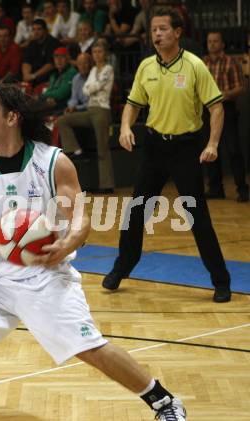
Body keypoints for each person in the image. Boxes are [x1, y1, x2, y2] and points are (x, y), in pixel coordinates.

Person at [0, 83, 186, 421]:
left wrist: (68, 242)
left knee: (89, 347)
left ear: (12, 118)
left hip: (45, 275)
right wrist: (3, 238)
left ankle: (164, 402)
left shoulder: (52, 162)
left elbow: (80, 219)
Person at [101, 7, 232, 303]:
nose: (157, 34)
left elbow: (217, 107)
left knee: (197, 216)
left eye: (162, 29)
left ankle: (221, 280)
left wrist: (211, 144)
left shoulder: (195, 66)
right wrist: (124, 127)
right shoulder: (146, 66)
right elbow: (133, 104)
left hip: (186, 148)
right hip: (154, 147)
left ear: (177, 32)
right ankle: (122, 266)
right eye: (154, 30)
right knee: (136, 211)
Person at [58, 41, 115, 193]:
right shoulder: (94, 69)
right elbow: (86, 89)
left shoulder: (108, 69)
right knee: (63, 120)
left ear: (106, 54)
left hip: (102, 110)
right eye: (95, 52)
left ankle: (106, 185)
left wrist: (91, 88)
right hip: (90, 110)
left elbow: (93, 87)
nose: (97, 55)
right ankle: (74, 149)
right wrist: (92, 88)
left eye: (100, 52)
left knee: (102, 148)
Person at [203, 31, 249, 203]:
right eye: (210, 41)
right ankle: (215, 188)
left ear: (222, 44)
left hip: (227, 108)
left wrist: (223, 94)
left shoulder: (231, 62)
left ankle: (242, 189)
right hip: (207, 110)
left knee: (233, 150)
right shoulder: (203, 63)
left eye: (216, 41)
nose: (212, 44)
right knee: (209, 149)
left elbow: (240, 88)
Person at [35, 46, 77, 115]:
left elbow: (62, 93)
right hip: (53, 102)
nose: (58, 60)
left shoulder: (72, 72)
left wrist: (41, 96)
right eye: (56, 57)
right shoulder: (54, 74)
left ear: (68, 59)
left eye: (62, 57)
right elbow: (50, 89)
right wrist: (46, 98)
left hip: (66, 105)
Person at [21, 18, 60, 86]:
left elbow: (50, 64)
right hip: (33, 74)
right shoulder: (32, 43)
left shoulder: (53, 42)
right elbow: (26, 61)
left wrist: (33, 76)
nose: (36, 32)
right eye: (34, 29)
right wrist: (26, 75)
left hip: (47, 74)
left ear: (45, 30)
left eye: (39, 29)